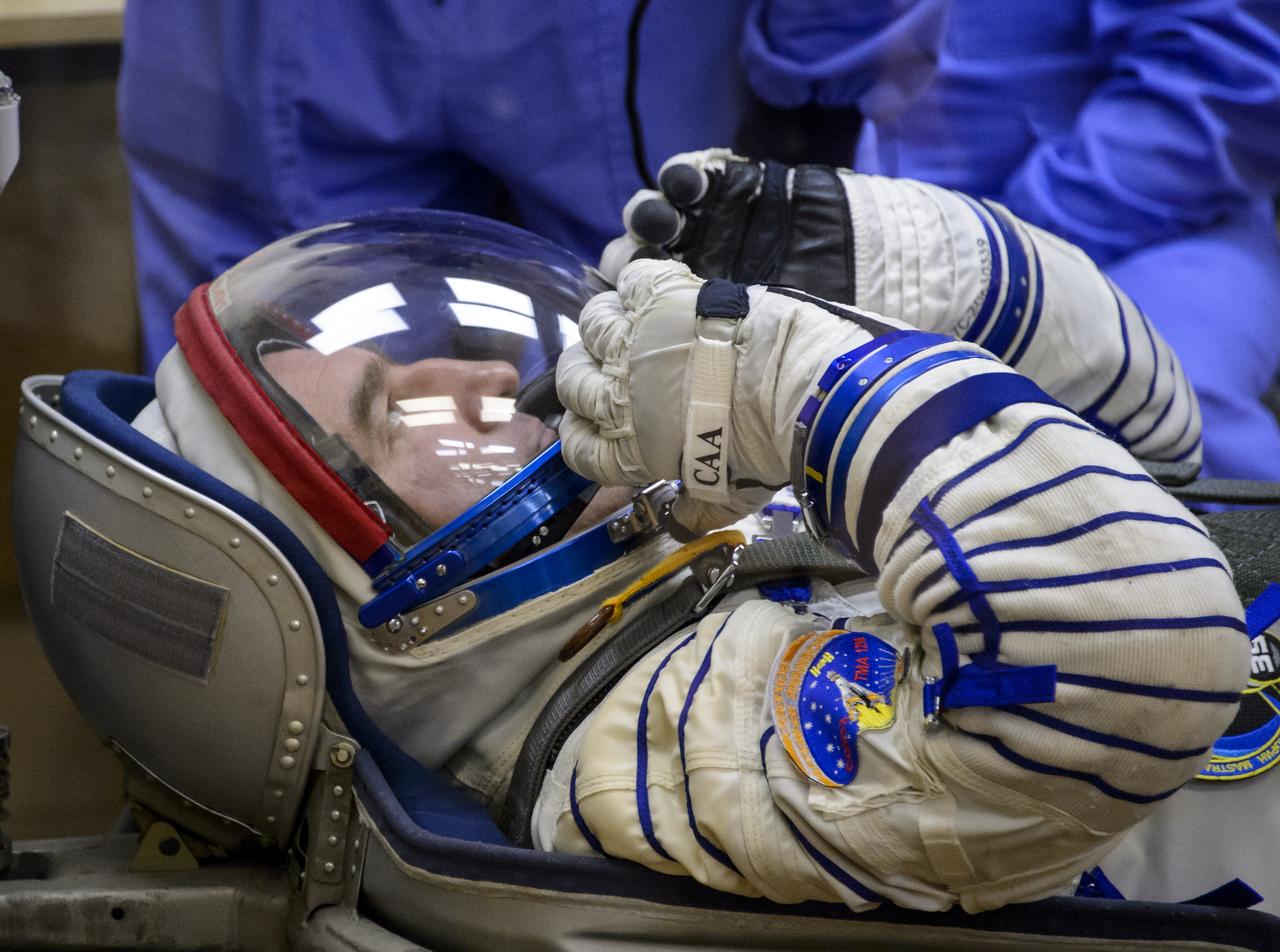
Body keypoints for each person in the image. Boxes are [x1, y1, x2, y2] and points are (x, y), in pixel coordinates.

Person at [131, 179, 1250, 914]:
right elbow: (1140, 651)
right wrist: (789, 383)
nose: (481, 375)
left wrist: (904, 270)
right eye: (393, 412)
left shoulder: (673, 554)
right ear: (372, 610)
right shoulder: (643, 759)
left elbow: (1156, 457)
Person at [741, 1, 1280, 481]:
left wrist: (1005, 256)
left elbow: (1227, 80)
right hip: (873, 229)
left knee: (1163, 417)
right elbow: (790, 68)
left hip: (1149, 225)